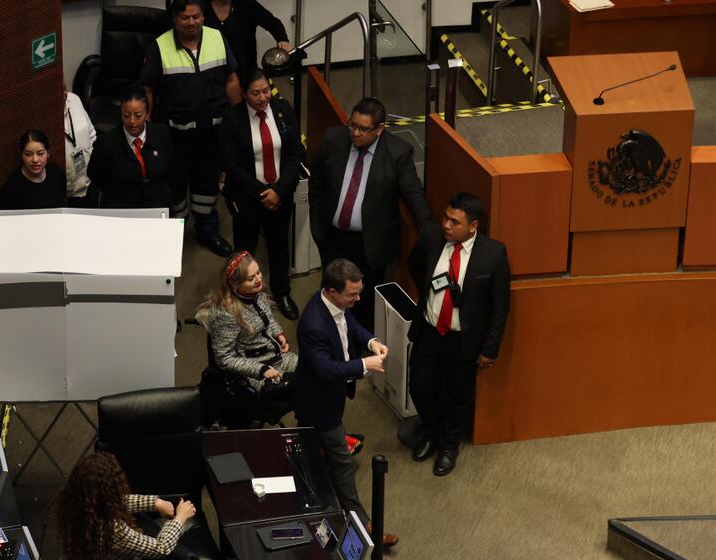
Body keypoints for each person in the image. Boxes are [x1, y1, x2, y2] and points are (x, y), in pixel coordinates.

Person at [293, 259, 397, 546]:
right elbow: (326, 370)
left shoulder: (335, 306)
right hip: (319, 402)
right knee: (341, 463)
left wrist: (371, 340)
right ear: (332, 291)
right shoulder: (312, 324)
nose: (358, 299)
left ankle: (317, 503)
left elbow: (350, 325)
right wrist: (365, 363)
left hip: (327, 399)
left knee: (314, 457)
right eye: (352, 294)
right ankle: (362, 525)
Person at [408, 193, 511, 476]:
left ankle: (449, 446)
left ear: (473, 226)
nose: (446, 225)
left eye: (455, 221)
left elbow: (500, 307)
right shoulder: (432, 236)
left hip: (462, 340)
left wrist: (490, 349)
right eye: (445, 217)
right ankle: (430, 432)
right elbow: (416, 265)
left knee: (457, 397)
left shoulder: (493, 254)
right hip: (429, 331)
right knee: (420, 387)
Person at [308, 97, 430, 327]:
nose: (355, 133)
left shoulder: (398, 153)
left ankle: (355, 342)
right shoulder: (333, 139)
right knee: (332, 292)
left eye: (363, 129)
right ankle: (329, 333)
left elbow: (414, 197)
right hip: (331, 237)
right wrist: (316, 223)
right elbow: (317, 181)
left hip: (370, 245)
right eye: (352, 125)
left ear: (380, 129)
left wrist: (430, 236)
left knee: (361, 300)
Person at [141, 0, 242, 256]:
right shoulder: (160, 46)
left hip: (211, 133)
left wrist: (240, 118)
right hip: (174, 135)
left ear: (203, 16)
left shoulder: (217, 38)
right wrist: (147, 129)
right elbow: (148, 90)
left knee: (207, 184)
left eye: (196, 17)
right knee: (175, 186)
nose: (192, 23)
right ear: (175, 19)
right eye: (185, 18)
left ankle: (208, 231)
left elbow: (231, 79)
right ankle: (176, 236)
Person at [55, 452, 197, 560]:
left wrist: (154, 503)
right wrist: (180, 518)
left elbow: (113, 501)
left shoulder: (76, 504)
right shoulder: (113, 530)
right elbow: (161, 547)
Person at [219, 69, 304, 320]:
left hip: (280, 195)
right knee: (245, 249)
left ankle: (281, 291)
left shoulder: (283, 109)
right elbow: (232, 165)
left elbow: (296, 153)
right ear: (244, 94)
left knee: (279, 245)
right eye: (255, 93)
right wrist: (262, 193)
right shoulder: (232, 119)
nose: (263, 97)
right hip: (247, 198)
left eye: (266, 90)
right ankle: (241, 297)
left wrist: (278, 191)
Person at [198, 251, 297, 418]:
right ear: (234, 284)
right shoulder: (226, 313)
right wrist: (261, 369)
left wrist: (278, 333)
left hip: (276, 356)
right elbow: (224, 359)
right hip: (255, 370)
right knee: (304, 387)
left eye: (258, 272)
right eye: (251, 278)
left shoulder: (256, 294)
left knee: (316, 369)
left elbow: (269, 318)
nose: (258, 279)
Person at [87, 84, 174, 209]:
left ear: (147, 114)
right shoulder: (106, 143)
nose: (132, 121)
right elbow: (96, 175)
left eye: (138, 115)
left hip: (158, 206)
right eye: (126, 115)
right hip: (123, 208)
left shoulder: (161, 134)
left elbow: (171, 169)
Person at [204, 0, 291, 84]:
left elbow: (273, 23)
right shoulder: (202, 6)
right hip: (213, 73)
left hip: (245, 73)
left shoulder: (246, 4)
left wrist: (282, 39)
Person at [0, 130, 67, 209]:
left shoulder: (57, 173)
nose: (35, 160)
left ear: (48, 153)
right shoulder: (11, 189)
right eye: (28, 154)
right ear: (21, 155)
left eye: (40, 153)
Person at [64, 89, 99, 208]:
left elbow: (91, 133)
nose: (64, 93)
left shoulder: (74, 99)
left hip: (90, 182)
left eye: (64, 88)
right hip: (67, 194)